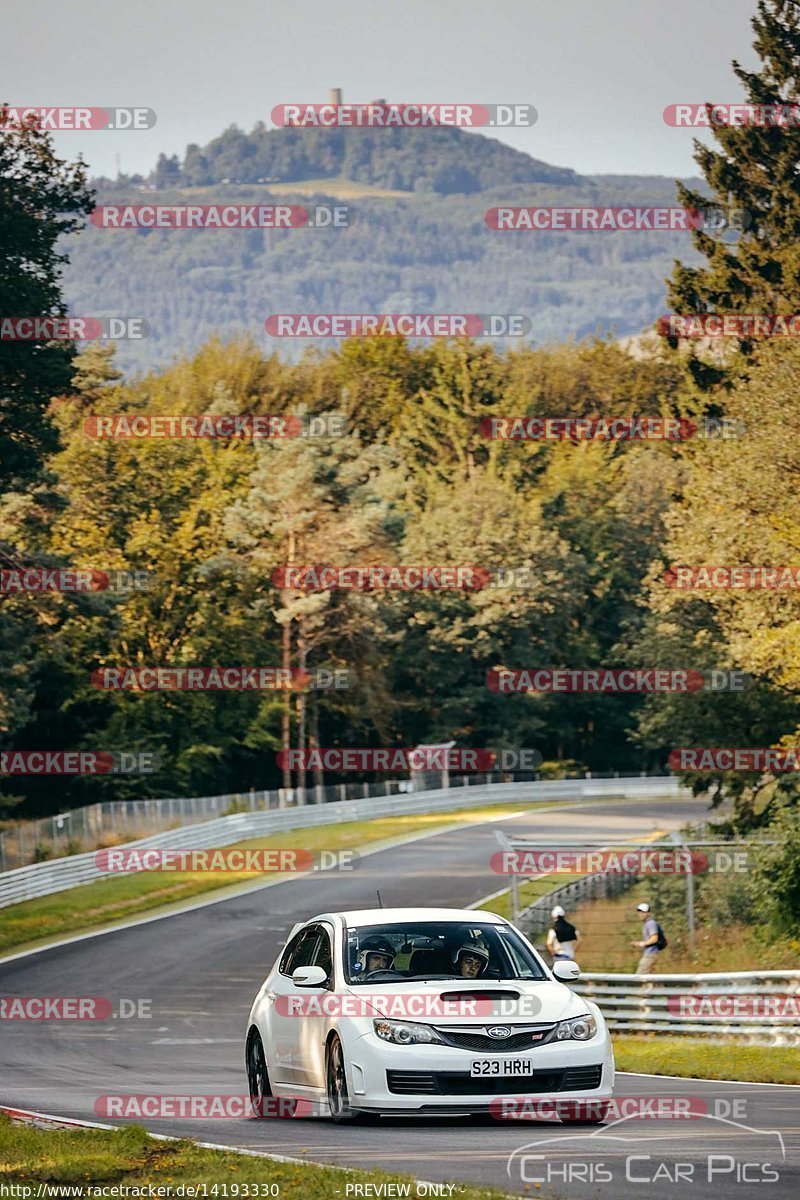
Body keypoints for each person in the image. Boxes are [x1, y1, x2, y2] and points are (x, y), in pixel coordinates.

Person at [631, 902, 664, 973]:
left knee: (640, 976)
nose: (641, 914)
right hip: (650, 954)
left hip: (650, 954)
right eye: (639, 912)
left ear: (648, 913)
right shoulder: (646, 924)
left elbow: (654, 939)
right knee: (650, 979)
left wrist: (640, 944)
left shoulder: (651, 923)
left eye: (643, 912)